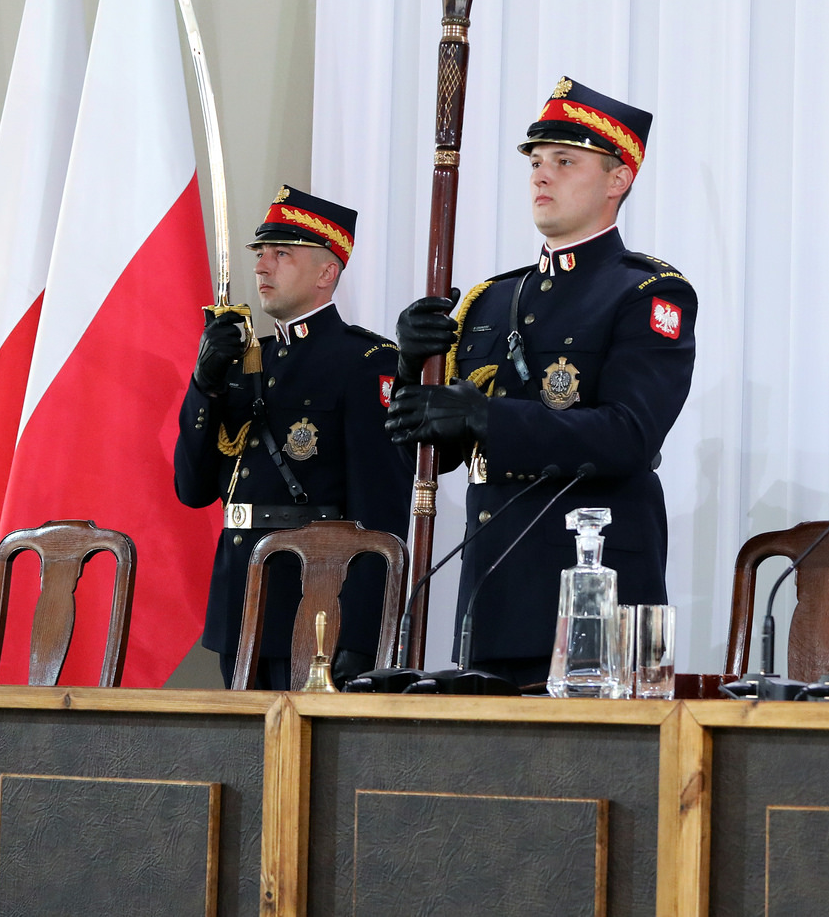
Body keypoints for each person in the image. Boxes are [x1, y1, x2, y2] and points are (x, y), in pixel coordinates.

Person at [388, 78, 697, 687]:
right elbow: (432, 460)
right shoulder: (487, 301)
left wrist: (486, 418)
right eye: (535, 161)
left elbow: (628, 435)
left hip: (595, 590)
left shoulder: (648, 294)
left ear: (618, 180)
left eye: (564, 160)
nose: (540, 175)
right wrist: (411, 372)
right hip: (492, 585)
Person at [174, 186, 410, 689]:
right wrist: (203, 385)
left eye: (281, 254)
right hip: (240, 603)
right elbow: (192, 491)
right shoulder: (242, 364)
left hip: (316, 605)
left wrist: (362, 636)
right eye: (261, 254)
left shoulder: (364, 365)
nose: (262, 267)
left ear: (327, 273)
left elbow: (382, 510)